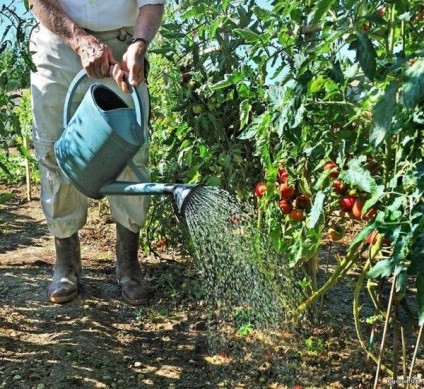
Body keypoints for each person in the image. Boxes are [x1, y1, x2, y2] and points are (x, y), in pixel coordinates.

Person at [28, 0, 165, 305]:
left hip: (122, 45)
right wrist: (78, 40)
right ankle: (66, 262)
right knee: (56, 150)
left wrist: (139, 44)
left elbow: (151, 4)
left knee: (130, 148)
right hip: (58, 43)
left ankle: (129, 263)